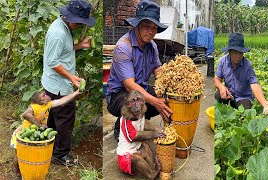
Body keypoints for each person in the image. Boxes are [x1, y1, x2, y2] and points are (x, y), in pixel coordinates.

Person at [106, 0, 172, 141]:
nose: (151, 32)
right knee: (137, 103)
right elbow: (129, 85)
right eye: (146, 26)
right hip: (119, 94)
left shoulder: (152, 46)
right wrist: (155, 101)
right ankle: (122, 125)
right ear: (137, 25)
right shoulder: (123, 47)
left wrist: (166, 87)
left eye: (154, 28)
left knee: (168, 99)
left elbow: (157, 70)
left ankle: (141, 121)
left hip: (141, 89)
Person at [41, 0, 96, 166]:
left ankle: (49, 146)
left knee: (52, 119)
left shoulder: (63, 27)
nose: (80, 25)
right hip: (59, 87)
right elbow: (52, 61)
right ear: (69, 17)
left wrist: (79, 45)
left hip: (52, 84)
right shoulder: (58, 33)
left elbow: (62, 51)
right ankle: (60, 155)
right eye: (79, 22)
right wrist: (72, 78)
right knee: (65, 121)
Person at [10, 89, 82, 176]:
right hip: (24, 132)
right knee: (20, 154)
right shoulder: (34, 107)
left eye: (45, 94)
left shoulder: (48, 104)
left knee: (31, 152)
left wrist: (75, 93)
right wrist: (39, 124)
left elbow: (62, 101)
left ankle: (30, 168)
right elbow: (26, 114)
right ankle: (15, 169)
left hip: (35, 132)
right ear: (39, 101)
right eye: (44, 96)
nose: (47, 96)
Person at [214, 32, 268, 109]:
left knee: (245, 108)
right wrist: (221, 87)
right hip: (229, 94)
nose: (238, 56)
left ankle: (237, 108)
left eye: (241, 52)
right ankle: (228, 108)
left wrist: (264, 103)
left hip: (243, 97)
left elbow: (254, 84)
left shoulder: (247, 65)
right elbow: (217, 79)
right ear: (229, 51)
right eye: (235, 52)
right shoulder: (223, 61)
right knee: (218, 95)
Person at [117, 90, 165, 179]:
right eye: (133, 101)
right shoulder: (126, 119)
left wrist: (155, 128)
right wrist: (153, 134)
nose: (136, 105)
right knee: (135, 158)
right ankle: (151, 174)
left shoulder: (140, 113)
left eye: (138, 100)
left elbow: (143, 123)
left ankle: (153, 167)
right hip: (125, 157)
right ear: (127, 104)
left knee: (145, 145)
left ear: (143, 101)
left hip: (136, 149)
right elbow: (134, 136)